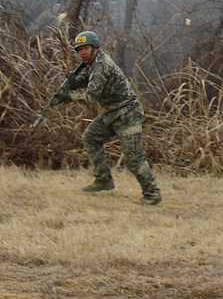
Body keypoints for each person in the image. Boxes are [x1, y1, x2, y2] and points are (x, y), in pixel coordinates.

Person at [56, 30, 162, 205]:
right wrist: (73, 82)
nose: (82, 52)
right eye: (79, 49)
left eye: (86, 48)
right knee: (90, 137)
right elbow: (86, 79)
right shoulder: (92, 63)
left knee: (133, 157)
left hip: (128, 114)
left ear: (95, 48)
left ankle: (152, 194)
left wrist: (67, 97)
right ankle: (103, 179)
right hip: (111, 113)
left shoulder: (102, 65)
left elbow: (91, 97)